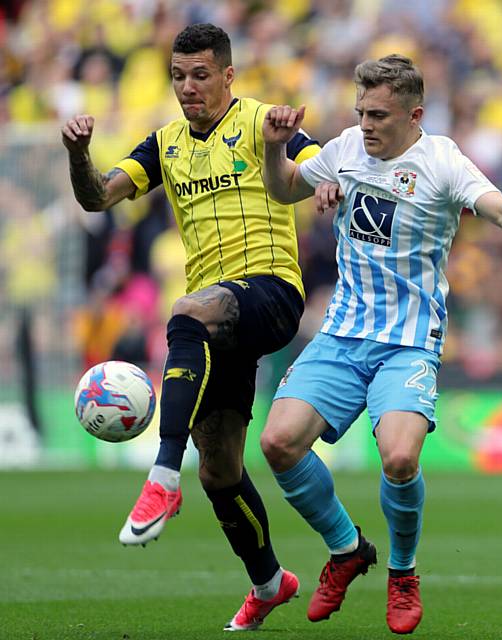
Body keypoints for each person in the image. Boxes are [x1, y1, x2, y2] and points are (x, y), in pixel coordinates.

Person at [259, 54, 502, 634]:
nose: (365, 125)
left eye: (378, 115)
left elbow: (486, 197)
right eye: (361, 112)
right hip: (342, 332)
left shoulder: (441, 160)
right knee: (278, 443)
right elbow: (285, 188)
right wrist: (274, 148)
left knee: (401, 457)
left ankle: (404, 572)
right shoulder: (343, 149)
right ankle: (346, 549)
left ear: (414, 115)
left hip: (409, 341)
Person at [61, 23, 320, 631]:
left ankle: (160, 477)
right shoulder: (165, 143)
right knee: (221, 469)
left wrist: (321, 177)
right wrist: (78, 155)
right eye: (178, 76)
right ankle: (268, 582)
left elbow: (314, 163)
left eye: (200, 75)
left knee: (185, 311)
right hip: (215, 320)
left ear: (228, 75)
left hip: (272, 292)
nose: (187, 88)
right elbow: (98, 197)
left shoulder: (263, 122)